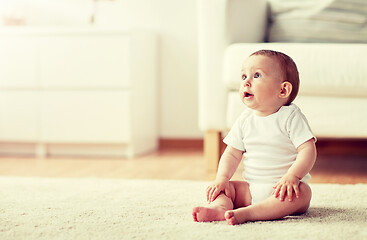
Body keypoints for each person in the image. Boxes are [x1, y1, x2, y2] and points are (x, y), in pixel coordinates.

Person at [192, 50, 317, 225]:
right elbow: (231, 154)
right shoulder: (245, 120)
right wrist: (222, 179)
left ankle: (250, 213)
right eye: (243, 76)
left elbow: (307, 149)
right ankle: (220, 208)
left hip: (284, 190)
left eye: (256, 75)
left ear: (283, 90)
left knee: (303, 194)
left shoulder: (290, 116)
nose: (246, 82)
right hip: (251, 189)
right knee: (227, 189)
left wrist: (293, 176)